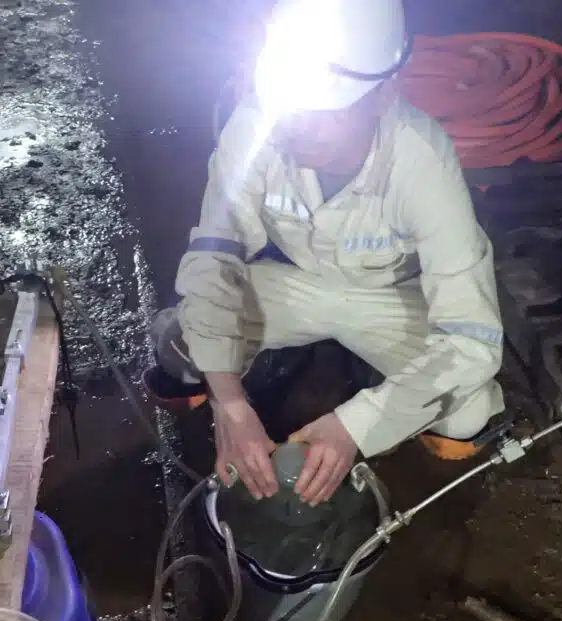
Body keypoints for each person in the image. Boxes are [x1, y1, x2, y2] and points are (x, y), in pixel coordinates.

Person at [146, 0, 504, 506]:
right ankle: (254, 377)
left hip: (392, 300)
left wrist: (355, 425)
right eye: (292, 105)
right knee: (181, 342)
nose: (299, 126)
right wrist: (229, 403)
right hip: (297, 284)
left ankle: (368, 377)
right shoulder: (256, 122)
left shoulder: (423, 158)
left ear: (383, 94)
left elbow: (473, 337)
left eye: (326, 110)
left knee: (469, 411)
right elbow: (214, 256)